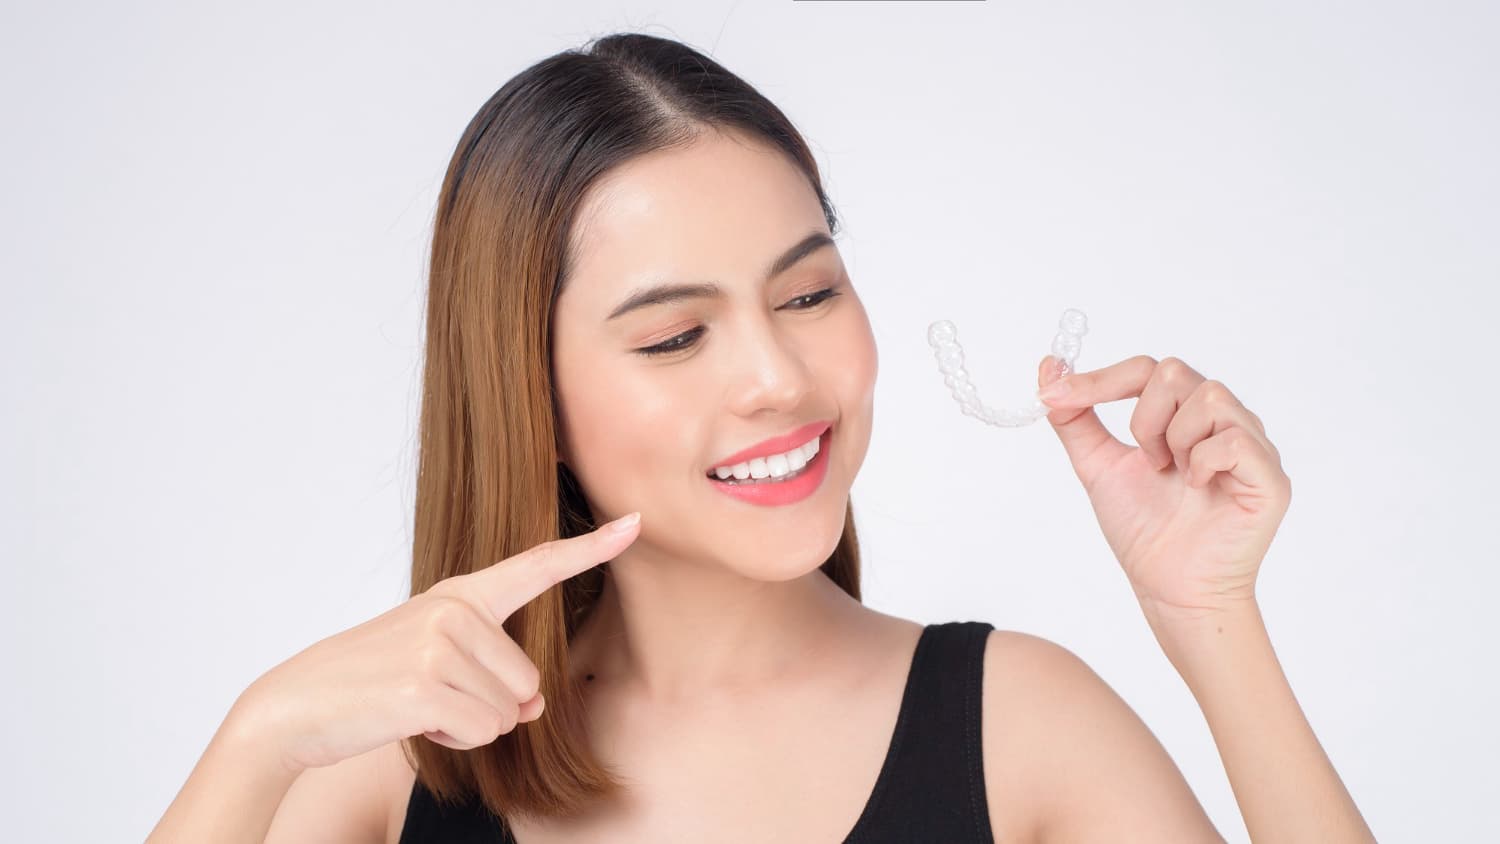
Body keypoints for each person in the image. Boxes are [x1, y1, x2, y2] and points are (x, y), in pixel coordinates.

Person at [147, 31, 1375, 843]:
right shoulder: (402, 770)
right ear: (529, 396)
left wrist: (1213, 618)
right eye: (676, 336)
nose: (779, 379)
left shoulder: (1019, 727)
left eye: (808, 293)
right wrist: (259, 735)